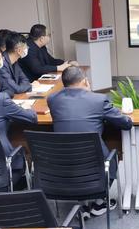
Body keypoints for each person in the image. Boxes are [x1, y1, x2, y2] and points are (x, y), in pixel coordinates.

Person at [47, 66, 132, 217]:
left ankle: (81, 201)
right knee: (111, 158)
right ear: (85, 81)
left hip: (61, 160)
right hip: (92, 160)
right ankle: (99, 202)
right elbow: (125, 123)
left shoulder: (52, 99)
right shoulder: (98, 100)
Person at [0, 31, 34, 96]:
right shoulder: (1, 64)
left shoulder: (15, 61)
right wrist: (30, 86)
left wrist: (25, 85)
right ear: (19, 50)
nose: (27, 49)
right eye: (26, 47)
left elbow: (25, 79)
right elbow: (16, 89)